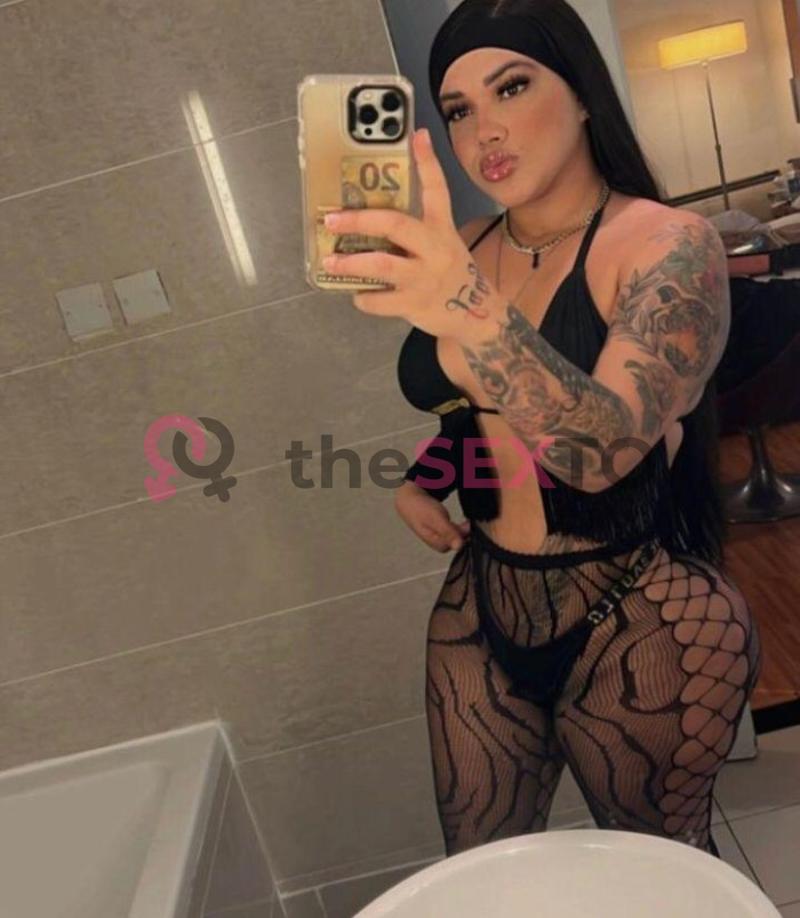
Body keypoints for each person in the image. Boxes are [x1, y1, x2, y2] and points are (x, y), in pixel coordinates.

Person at [392, 0, 762, 860]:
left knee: (660, 881)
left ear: (584, 92)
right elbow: (480, 404)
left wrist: (467, 307)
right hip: (484, 601)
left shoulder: (667, 245)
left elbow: (603, 450)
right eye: (458, 110)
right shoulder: (469, 244)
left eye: (512, 87)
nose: (485, 130)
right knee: (484, 877)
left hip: (637, 613)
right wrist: (429, 477)